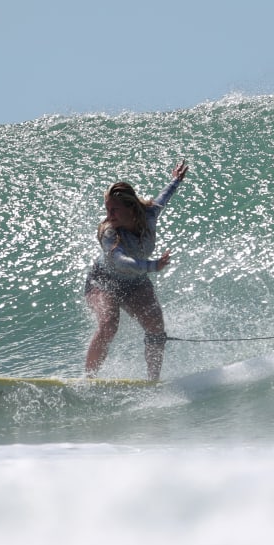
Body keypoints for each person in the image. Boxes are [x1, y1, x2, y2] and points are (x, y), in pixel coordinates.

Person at [84, 160, 188, 380]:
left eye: (114, 209)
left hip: (135, 282)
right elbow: (121, 261)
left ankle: (152, 381)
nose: (109, 215)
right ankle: (89, 380)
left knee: (156, 327)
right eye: (107, 209)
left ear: (131, 208)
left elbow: (163, 198)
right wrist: (152, 266)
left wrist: (176, 180)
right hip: (103, 281)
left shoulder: (148, 215)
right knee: (109, 324)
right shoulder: (109, 232)